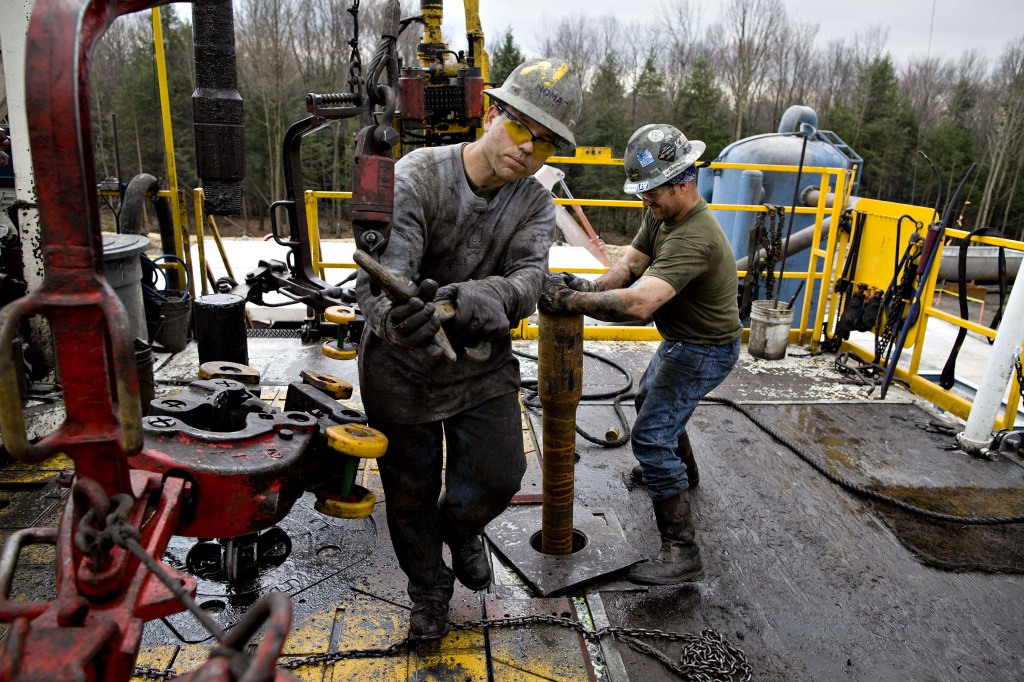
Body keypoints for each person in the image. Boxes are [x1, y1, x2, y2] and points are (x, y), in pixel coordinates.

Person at [355, 58, 582, 641]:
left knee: (501, 474)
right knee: (409, 494)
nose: (528, 150)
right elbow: (381, 280)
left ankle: (462, 527)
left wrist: (474, 298)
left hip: (480, 364)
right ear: (490, 112)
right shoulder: (417, 177)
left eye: (546, 143)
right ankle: (429, 591)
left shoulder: (533, 203)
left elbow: (530, 278)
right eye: (521, 128)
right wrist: (399, 318)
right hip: (402, 370)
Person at [540, 123, 742, 585]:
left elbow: (640, 303)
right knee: (649, 403)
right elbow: (631, 264)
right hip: (683, 341)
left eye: (650, 192)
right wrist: (589, 287)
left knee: (650, 437)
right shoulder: (662, 211)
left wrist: (573, 303)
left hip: (704, 350)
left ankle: (682, 552)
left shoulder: (695, 235)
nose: (644, 202)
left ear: (684, 180)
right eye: (642, 193)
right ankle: (683, 476)